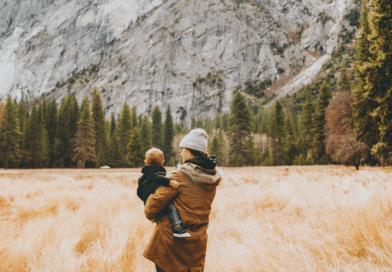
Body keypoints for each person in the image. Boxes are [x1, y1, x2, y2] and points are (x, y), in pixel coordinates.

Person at [143, 128, 222, 272]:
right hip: (196, 246)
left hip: (171, 246)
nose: (180, 153)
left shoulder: (180, 176)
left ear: (191, 150)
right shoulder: (211, 178)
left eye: (183, 149)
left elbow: (151, 208)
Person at [137, 148, 191, 238]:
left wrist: (145, 198)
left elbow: (138, 192)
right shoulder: (156, 173)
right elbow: (158, 177)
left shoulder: (142, 177)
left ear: (145, 162)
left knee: (163, 215)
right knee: (171, 208)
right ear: (162, 162)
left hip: (148, 203)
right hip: (156, 201)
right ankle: (178, 229)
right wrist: (171, 182)